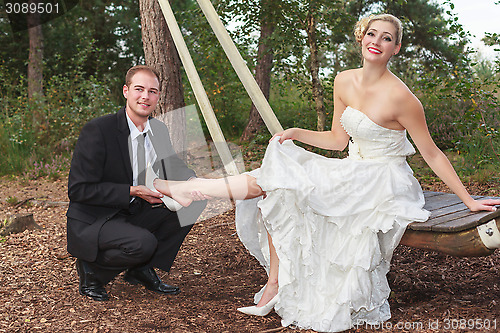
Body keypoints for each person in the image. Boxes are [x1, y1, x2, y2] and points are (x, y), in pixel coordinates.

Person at [152, 14, 500, 332]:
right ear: (362, 38)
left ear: (396, 48)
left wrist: (468, 200)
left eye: (387, 38)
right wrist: (296, 134)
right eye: (372, 34)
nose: (376, 41)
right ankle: (270, 280)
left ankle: (194, 190)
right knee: (280, 182)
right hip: (352, 170)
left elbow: (432, 153)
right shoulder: (344, 81)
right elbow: (336, 140)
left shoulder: (402, 98)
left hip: (383, 180)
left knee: (281, 184)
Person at [67, 65, 206, 301]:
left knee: (191, 205)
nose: (146, 96)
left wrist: (195, 183)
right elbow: (78, 189)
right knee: (143, 243)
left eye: (152, 91)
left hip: (134, 207)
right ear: (125, 91)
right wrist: (132, 191)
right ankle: (92, 271)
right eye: (139, 89)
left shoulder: (158, 129)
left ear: (158, 96)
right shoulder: (99, 130)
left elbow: (172, 165)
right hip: (96, 217)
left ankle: (140, 269)